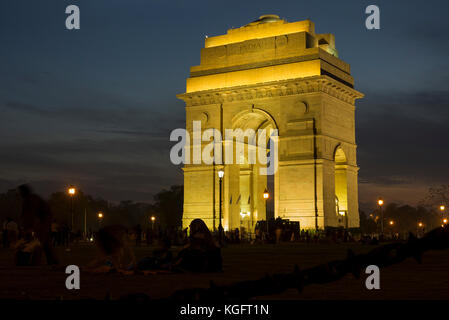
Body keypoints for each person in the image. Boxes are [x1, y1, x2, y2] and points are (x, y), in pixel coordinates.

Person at [18, 184, 58, 265]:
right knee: (46, 241)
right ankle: (53, 260)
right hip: (44, 218)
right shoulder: (31, 198)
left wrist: (28, 227)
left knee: (39, 241)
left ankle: (36, 261)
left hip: (45, 218)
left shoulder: (30, 200)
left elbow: (29, 215)